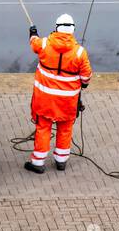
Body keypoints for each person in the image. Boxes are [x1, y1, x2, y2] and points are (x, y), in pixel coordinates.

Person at [25, 13, 91, 173]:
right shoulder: (79, 52)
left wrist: (33, 33)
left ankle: (38, 163)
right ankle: (61, 161)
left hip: (45, 99)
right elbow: (86, 77)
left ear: (56, 28)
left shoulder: (45, 44)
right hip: (68, 101)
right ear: (72, 29)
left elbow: (34, 44)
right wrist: (83, 83)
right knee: (65, 129)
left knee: (43, 128)